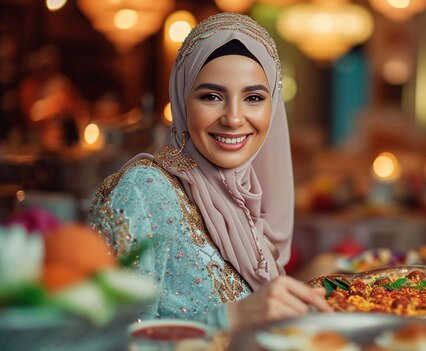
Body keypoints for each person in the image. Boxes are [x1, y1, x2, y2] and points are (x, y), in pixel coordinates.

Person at [87, 12, 331, 331]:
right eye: (212, 96)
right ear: (182, 99)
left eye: (253, 97)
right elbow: (100, 336)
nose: (233, 117)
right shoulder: (143, 191)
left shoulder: (246, 198)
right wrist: (230, 319)